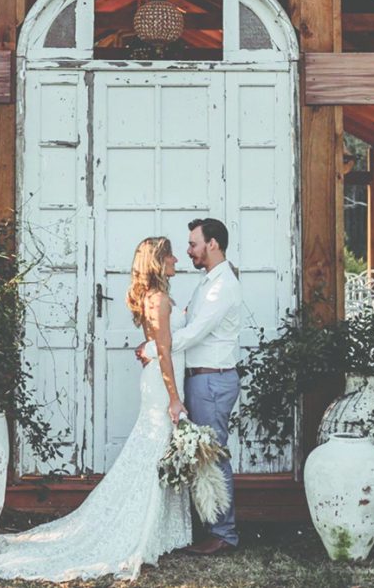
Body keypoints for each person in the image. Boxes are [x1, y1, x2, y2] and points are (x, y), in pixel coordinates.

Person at [0, 237, 191, 582]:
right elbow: (163, 351)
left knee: (154, 451)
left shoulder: (153, 298)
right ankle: (136, 530)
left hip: (159, 379)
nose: (177, 259)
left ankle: (156, 530)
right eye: (170, 255)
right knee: (153, 453)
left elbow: (158, 345)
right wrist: (175, 398)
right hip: (163, 384)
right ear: (158, 261)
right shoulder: (159, 299)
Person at [138, 217, 242, 555]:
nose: (188, 251)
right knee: (204, 454)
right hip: (201, 378)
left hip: (212, 380)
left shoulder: (220, 286)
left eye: (194, 243)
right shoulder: (208, 282)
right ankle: (212, 527)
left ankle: (223, 534)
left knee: (212, 455)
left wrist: (154, 348)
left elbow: (194, 332)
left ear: (212, 244)